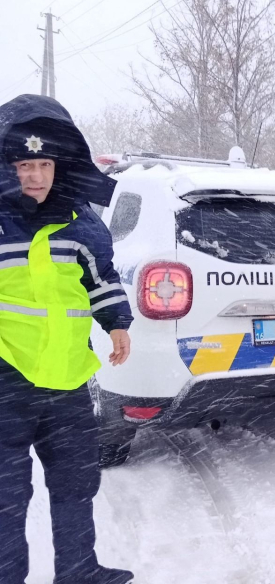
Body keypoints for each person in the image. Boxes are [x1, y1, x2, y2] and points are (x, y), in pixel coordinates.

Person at [0, 94, 134, 584]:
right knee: (6, 500)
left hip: (68, 382)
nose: (34, 175)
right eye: (22, 164)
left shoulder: (82, 224)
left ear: (60, 166)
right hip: (7, 382)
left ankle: (79, 572)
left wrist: (117, 324)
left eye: (43, 163)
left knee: (76, 485)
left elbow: (102, 279)